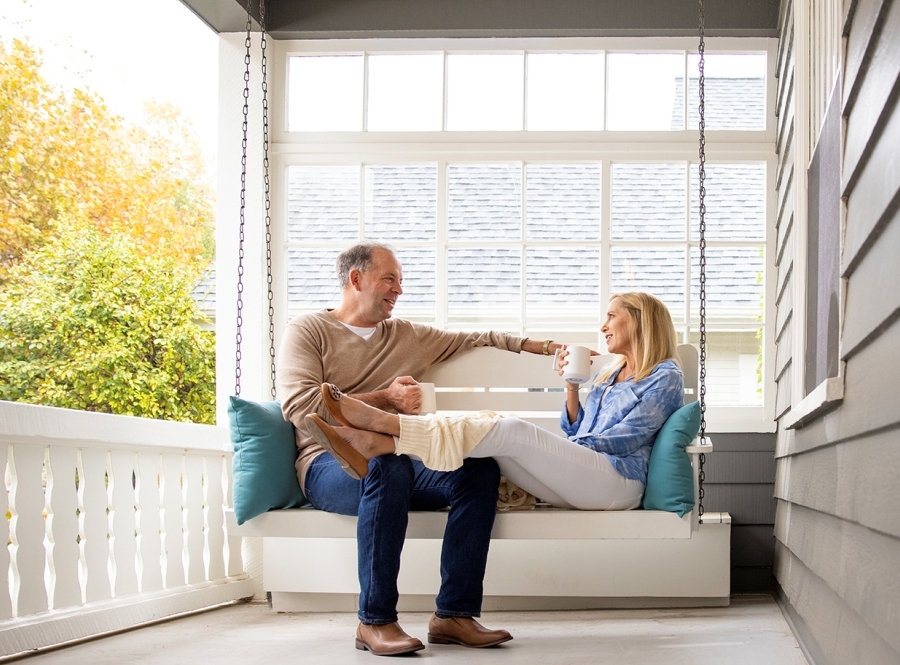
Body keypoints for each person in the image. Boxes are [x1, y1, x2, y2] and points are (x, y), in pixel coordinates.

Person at [276, 242, 563, 656]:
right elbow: (300, 406)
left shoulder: (407, 336)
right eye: (389, 278)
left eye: (401, 281)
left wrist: (547, 347)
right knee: (387, 467)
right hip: (327, 464)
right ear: (356, 280)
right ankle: (373, 622)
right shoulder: (308, 330)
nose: (399, 289)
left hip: (399, 460)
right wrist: (386, 400)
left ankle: (454, 615)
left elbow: (479, 336)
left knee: (477, 470)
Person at [306, 292, 685, 512]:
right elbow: (576, 426)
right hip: (582, 475)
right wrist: (572, 387)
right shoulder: (609, 373)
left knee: (511, 429)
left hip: (617, 482)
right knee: (498, 447)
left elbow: (626, 439)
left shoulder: (665, 375)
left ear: (639, 321)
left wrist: (561, 450)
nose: (603, 326)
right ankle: (384, 440)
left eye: (611, 316)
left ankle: (384, 427)